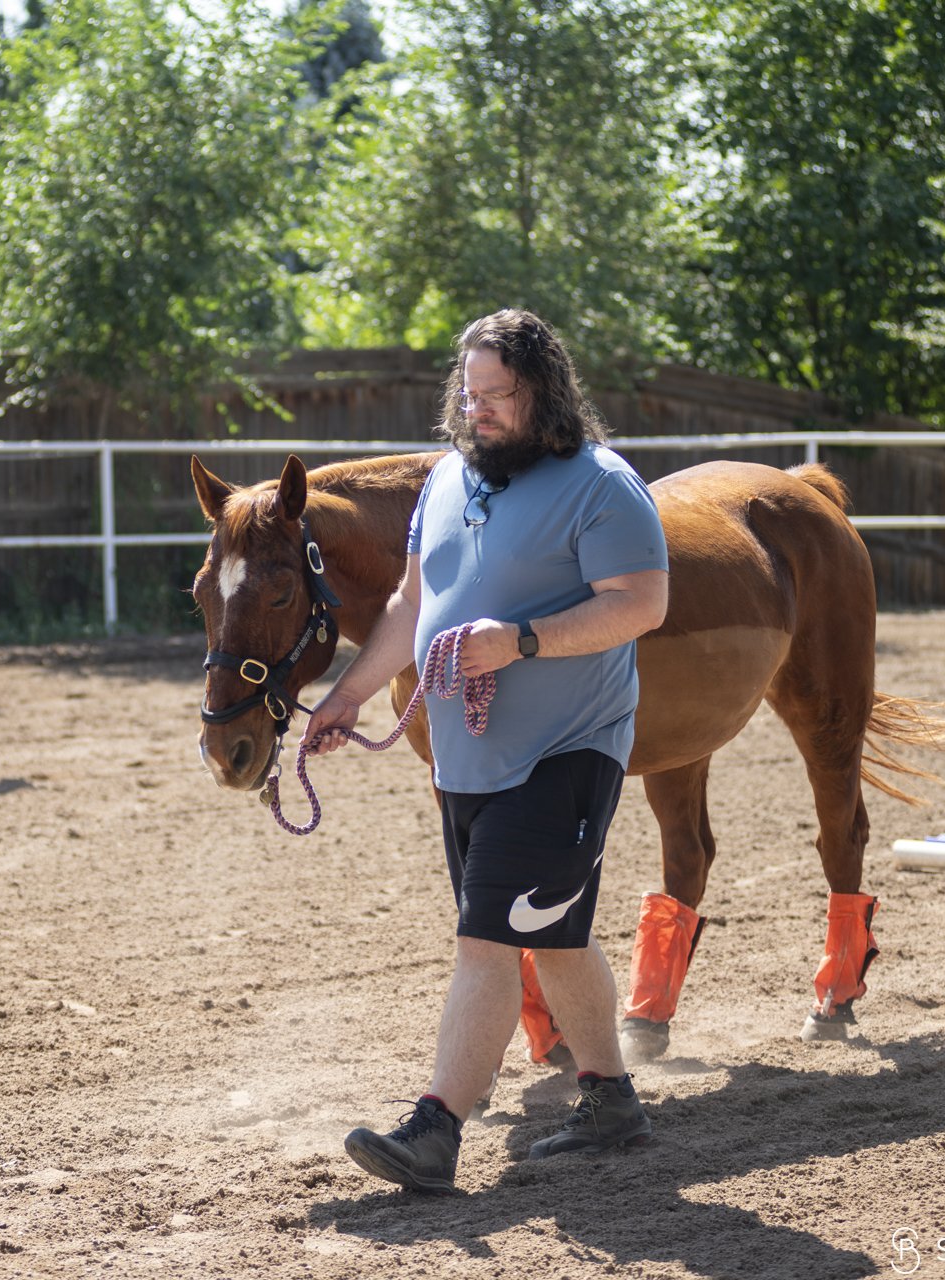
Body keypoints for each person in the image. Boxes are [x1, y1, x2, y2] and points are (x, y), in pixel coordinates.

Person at [303, 309, 670, 1193]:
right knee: (553, 933)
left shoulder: (603, 485)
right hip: (465, 758)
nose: (480, 411)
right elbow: (413, 599)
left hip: (564, 752)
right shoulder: (446, 480)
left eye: (498, 395)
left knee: (486, 943)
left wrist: (524, 641)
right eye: (470, 395)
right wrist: (349, 693)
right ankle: (612, 1100)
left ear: (544, 391)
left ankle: (435, 1132)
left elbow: (642, 603)